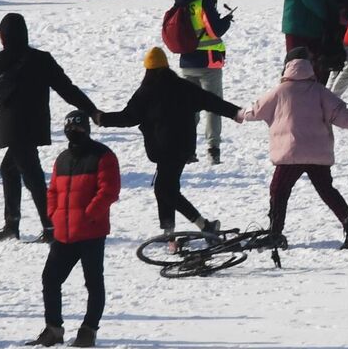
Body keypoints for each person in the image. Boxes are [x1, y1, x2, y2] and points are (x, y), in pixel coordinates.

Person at [0, 13, 97, 241]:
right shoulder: (42, 59)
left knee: (33, 177)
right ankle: (12, 224)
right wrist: (91, 109)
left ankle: (49, 227)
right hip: (36, 124)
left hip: (13, 126)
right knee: (9, 170)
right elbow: (67, 89)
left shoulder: (0, 60)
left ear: (4, 37)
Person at [99, 48, 241, 238]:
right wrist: (234, 112)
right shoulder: (182, 86)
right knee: (165, 188)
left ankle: (202, 226)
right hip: (183, 148)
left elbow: (128, 117)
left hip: (165, 149)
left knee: (165, 189)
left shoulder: (146, 91)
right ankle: (171, 230)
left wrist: (102, 119)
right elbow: (211, 101)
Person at [240, 48, 348, 248]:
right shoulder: (320, 91)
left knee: (279, 190)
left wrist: (237, 114)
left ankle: (275, 233)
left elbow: (255, 110)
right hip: (317, 153)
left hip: (290, 154)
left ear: (286, 66)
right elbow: (345, 117)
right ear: (309, 68)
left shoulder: (280, 91)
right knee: (327, 190)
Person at [30, 110, 120, 348]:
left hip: (91, 233)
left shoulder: (103, 156)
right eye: (70, 129)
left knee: (93, 282)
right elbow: (53, 191)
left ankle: (88, 330)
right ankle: (53, 329)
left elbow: (109, 191)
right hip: (64, 234)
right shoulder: (62, 159)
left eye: (79, 129)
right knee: (50, 279)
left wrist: (89, 215)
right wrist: (53, 215)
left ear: (87, 130)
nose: (74, 132)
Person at [171, 0, 234, 162]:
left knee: (190, 107)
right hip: (208, 63)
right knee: (214, 107)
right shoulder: (204, 0)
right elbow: (214, 30)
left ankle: (186, 148)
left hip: (187, 61)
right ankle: (213, 149)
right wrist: (228, 20)